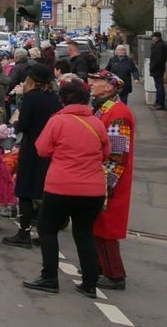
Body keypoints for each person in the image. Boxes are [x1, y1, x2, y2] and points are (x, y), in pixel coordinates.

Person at [22, 79, 108, 298]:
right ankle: (89, 283)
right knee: (84, 234)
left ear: (64, 99)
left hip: (62, 185)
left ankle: (49, 277)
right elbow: (105, 153)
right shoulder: (97, 123)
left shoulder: (58, 121)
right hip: (93, 189)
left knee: (47, 228)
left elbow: (41, 149)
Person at [3, 62, 62, 248]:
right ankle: (45, 232)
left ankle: (24, 233)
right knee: (44, 192)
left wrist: (14, 126)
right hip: (50, 148)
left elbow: (24, 124)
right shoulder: (54, 98)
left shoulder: (31, 97)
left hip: (33, 147)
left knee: (25, 191)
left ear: (32, 79)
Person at [88, 70, 136, 291]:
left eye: (96, 80)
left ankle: (115, 274)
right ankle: (99, 266)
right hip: (101, 176)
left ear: (109, 86)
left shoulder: (118, 113)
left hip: (110, 180)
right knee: (98, 225)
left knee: (107, 228)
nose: (92, 83)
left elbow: (118, 156)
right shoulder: (104, 109)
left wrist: (106, 185)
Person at [150, 31, 166, 110]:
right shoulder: (160, 45)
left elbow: (159, 59)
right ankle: (158, 102)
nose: (152, 38)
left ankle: (160, 104)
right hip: (159, 68)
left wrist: (152, 66)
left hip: (157, 69)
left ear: (157, 37)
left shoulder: (159, 46)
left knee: (159, 86)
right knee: (158, 86)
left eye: (153, 36)